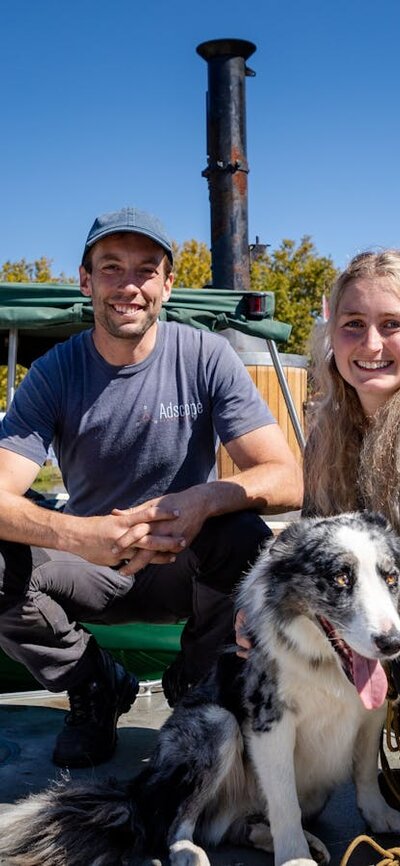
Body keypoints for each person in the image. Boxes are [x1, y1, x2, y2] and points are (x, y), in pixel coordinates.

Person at [0, 206, 302, 768]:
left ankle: (193, 681)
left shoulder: (206, 356)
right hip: (91, 567)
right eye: (110, 267)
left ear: (167, 283)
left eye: (145, 269)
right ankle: (94, 687)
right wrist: (78, 535)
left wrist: (198, 500)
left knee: (248, 537)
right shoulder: (54, 372)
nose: (128, 286)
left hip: (187, 563)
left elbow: (286, 476)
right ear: (86, 280)